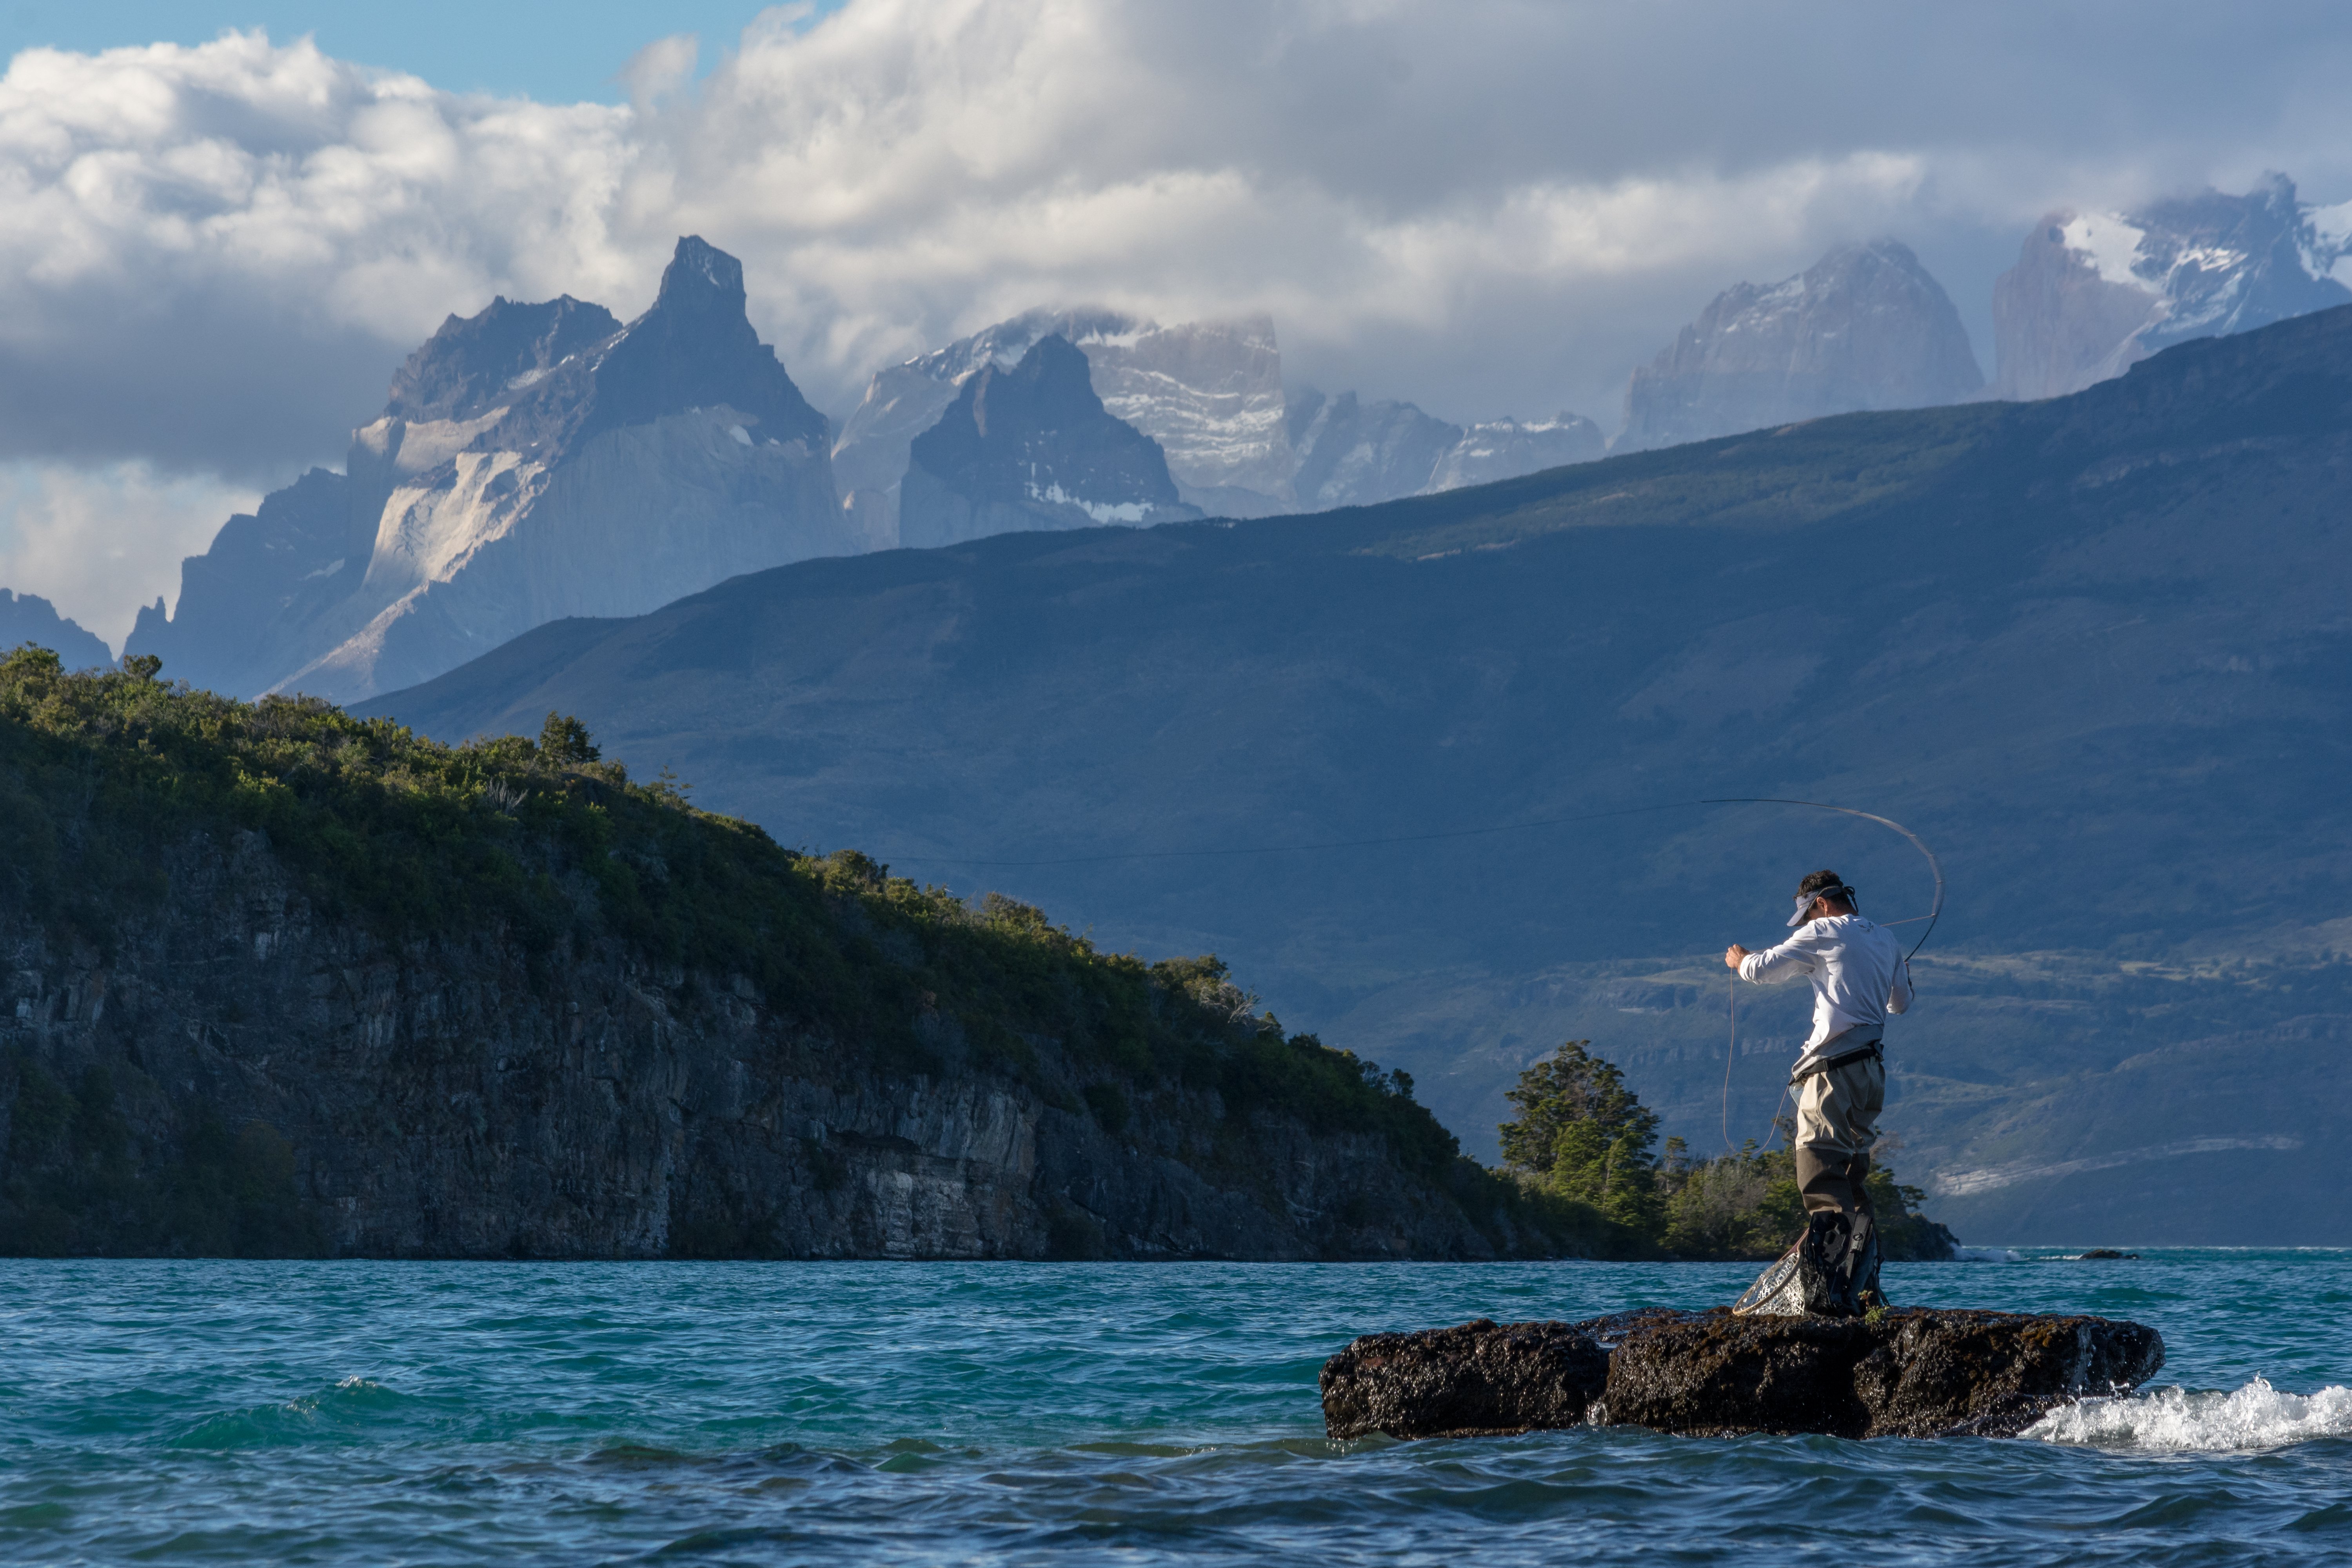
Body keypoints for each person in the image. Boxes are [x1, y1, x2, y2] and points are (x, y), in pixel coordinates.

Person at [1723, 867, 1914, 1311]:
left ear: (1821, 903)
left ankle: (1824, 1295)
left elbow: (1764, 969)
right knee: (1853, 1176)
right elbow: (1899, 1004)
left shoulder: (1824, 931)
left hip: (1830, 1073)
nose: (1805, 924)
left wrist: (1740, 960)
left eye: (1805, 915)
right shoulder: (1886, 940)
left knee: (1820, 1170)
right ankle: (1860, 1285)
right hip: (1870, 1074)